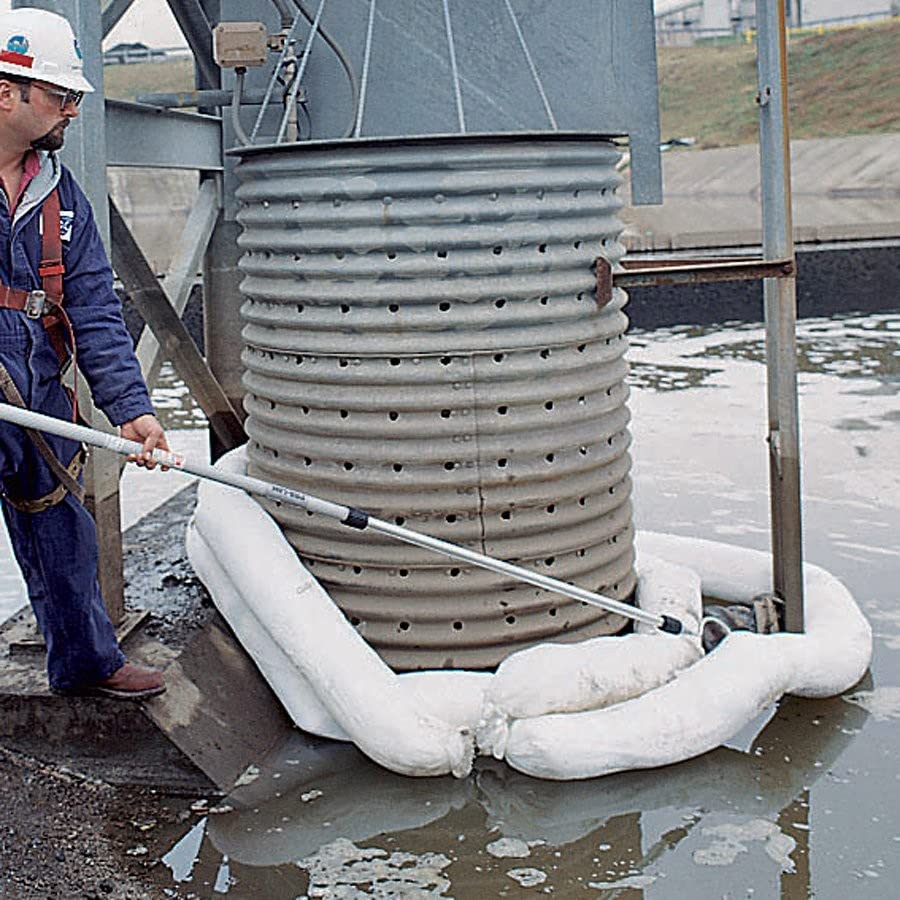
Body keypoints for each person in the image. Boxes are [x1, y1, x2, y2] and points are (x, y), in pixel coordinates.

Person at [0, 8, 168, 699]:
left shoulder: (60, 193)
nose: (72, 109)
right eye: (60, 95)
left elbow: (95, 307)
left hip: (38, 386)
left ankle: (86, 664)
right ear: (6, 92)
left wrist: (131, 408)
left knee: (61, 525)